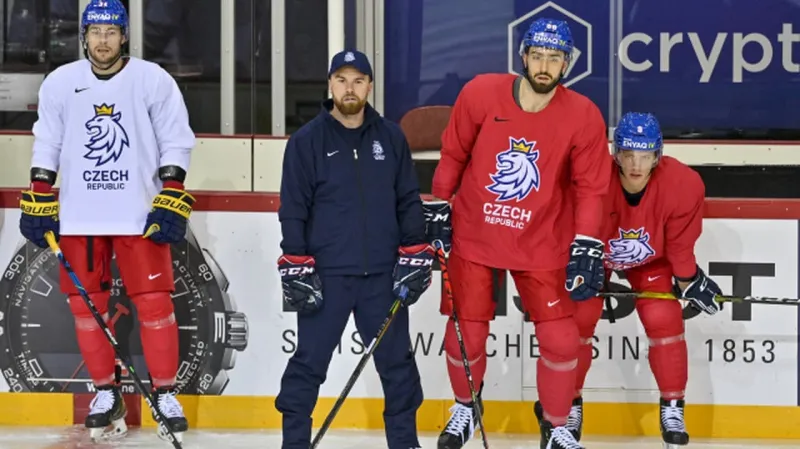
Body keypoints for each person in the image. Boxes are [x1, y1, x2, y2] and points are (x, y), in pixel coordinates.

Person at [425, 18, 612, 449]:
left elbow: (591, 189)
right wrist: (438, 206)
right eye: (538, 56)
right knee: (464, 332)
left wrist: (586, 240)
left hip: (543, 240)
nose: (545, 66)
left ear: (567, 64)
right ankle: (466, 407)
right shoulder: (480, 93)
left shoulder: (583, 115)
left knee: (562, 340)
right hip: (475, 234)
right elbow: (453, 155)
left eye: (555, 58)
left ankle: (556, 425)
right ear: (523, 56)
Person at [18, 0, 195, 443]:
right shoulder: (61, 83)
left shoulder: (152, 80)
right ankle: (105, 392)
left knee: (155, 303)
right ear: (84, 35)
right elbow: (48, 141)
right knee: (87, 307)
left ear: (124, 36)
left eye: (111, 32)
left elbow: (176, 137)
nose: (102, 40)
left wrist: (171, 192)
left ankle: (165, 394)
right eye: (95, 32)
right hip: (81, 217)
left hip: (138, 214)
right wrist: (41, 194)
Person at [274, 49, 434, 449]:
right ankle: (293, 443)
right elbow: (293, 207)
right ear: (330, 84)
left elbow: (407, 199)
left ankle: (405, 443)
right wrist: (296, 262)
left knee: (398, 369)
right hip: (327, 277)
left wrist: (415, 250)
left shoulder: (391, 137)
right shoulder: (306, 141)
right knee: (307, 366)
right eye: (342, 80)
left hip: (382, 277)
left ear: (370, 86)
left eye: (358, 80)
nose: (350, 88)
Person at [558, 112, 721, 448]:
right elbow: (566, 227)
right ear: (616, 153)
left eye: (645, 156)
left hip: (651, 260)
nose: (636, 164)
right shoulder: (590, 177)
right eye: (629, 154)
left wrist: (688, 279)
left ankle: (672, 407)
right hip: (594, 259)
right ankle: (568, 406)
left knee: (664, 318)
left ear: (657, 156)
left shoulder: (683, 184)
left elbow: (679, 245)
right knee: (578, 322)